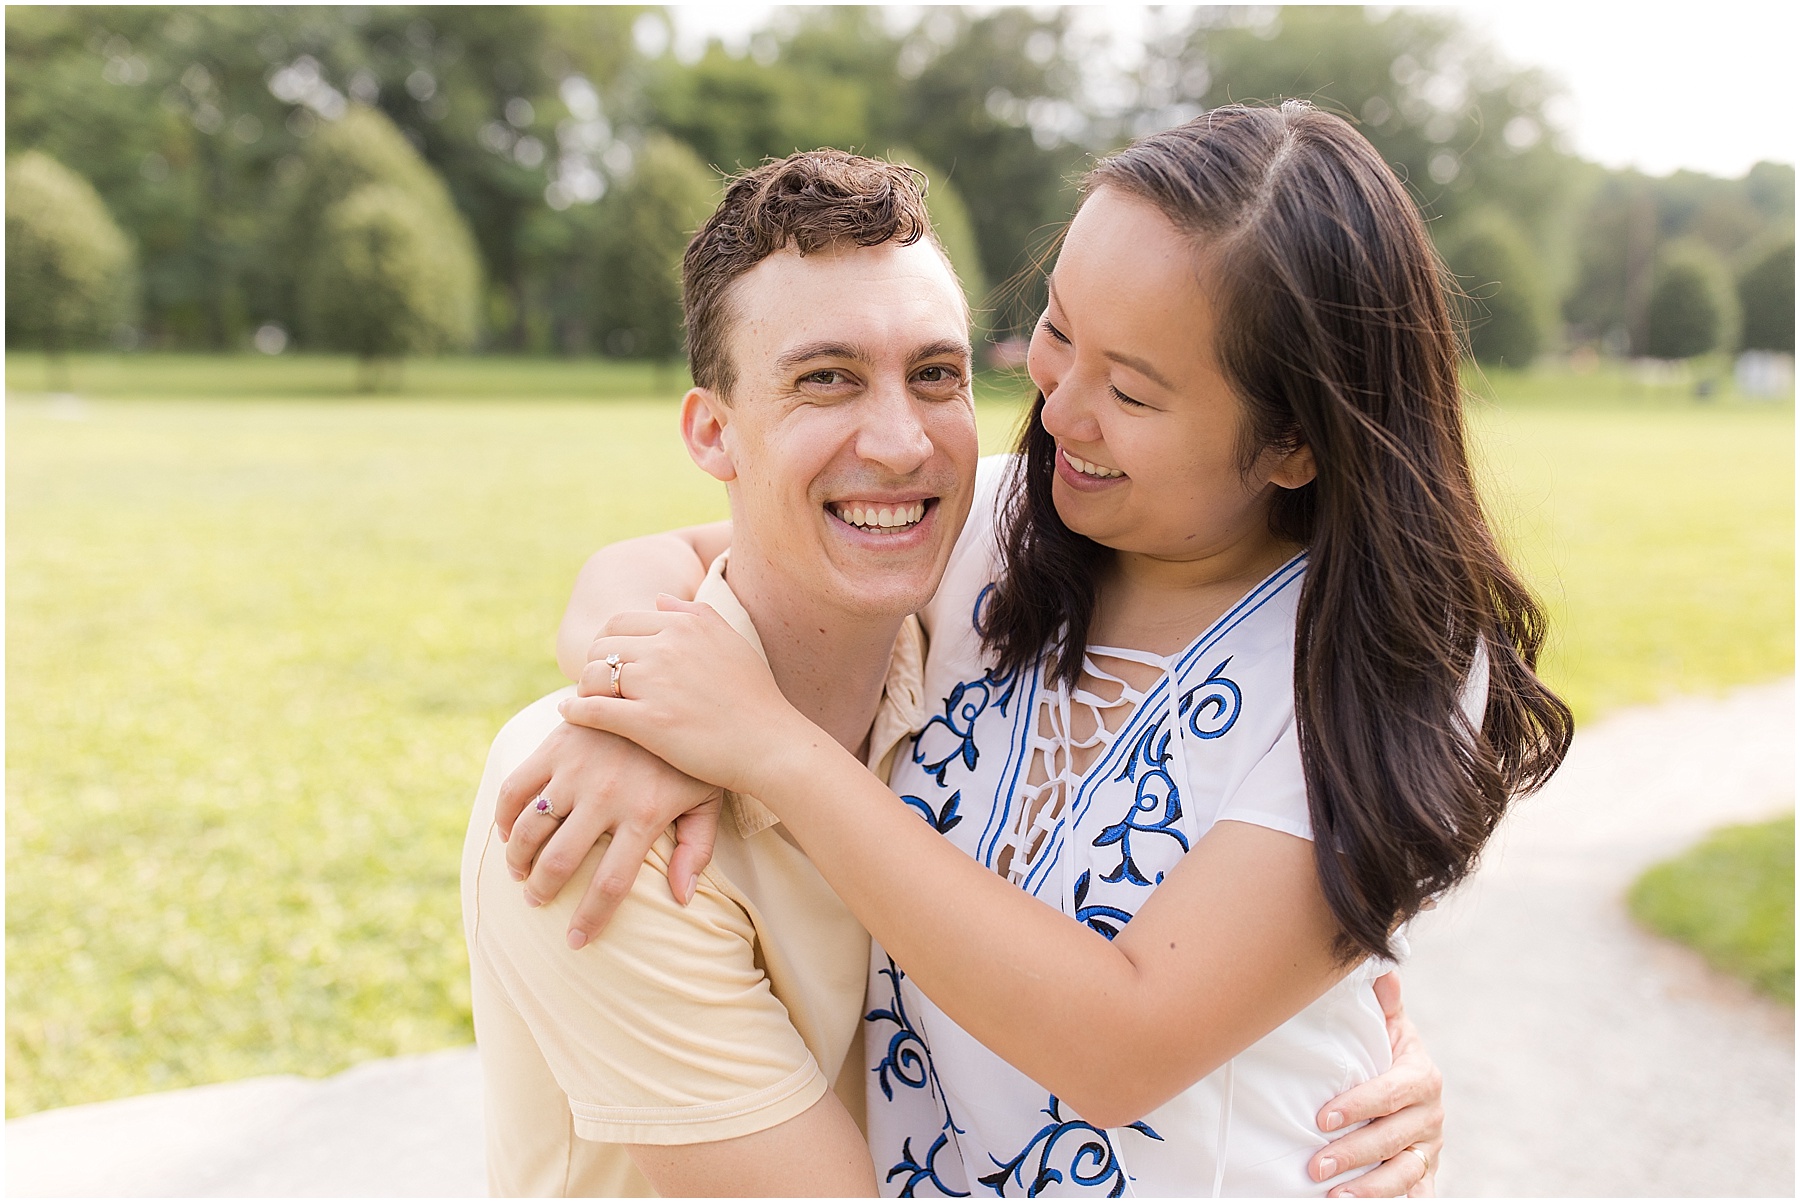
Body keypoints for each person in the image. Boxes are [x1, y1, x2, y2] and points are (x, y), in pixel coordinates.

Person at [541, 104, 1571, 1196]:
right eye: (1059, 330)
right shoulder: (997, 528)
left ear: (1293, 441)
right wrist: (633, 718)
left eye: (1130, 391)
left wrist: (772, 753)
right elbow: (660, 561)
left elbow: (1122, 1047)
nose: (1059, 407)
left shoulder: (1381, 668)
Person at [463, 150, 980, 1195]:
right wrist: (640, 712)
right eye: (824, 379)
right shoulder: (591, 812)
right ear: (714, 433)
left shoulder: (988, 640)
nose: (898, 440)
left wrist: (1367, 1043)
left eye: (936, 374)